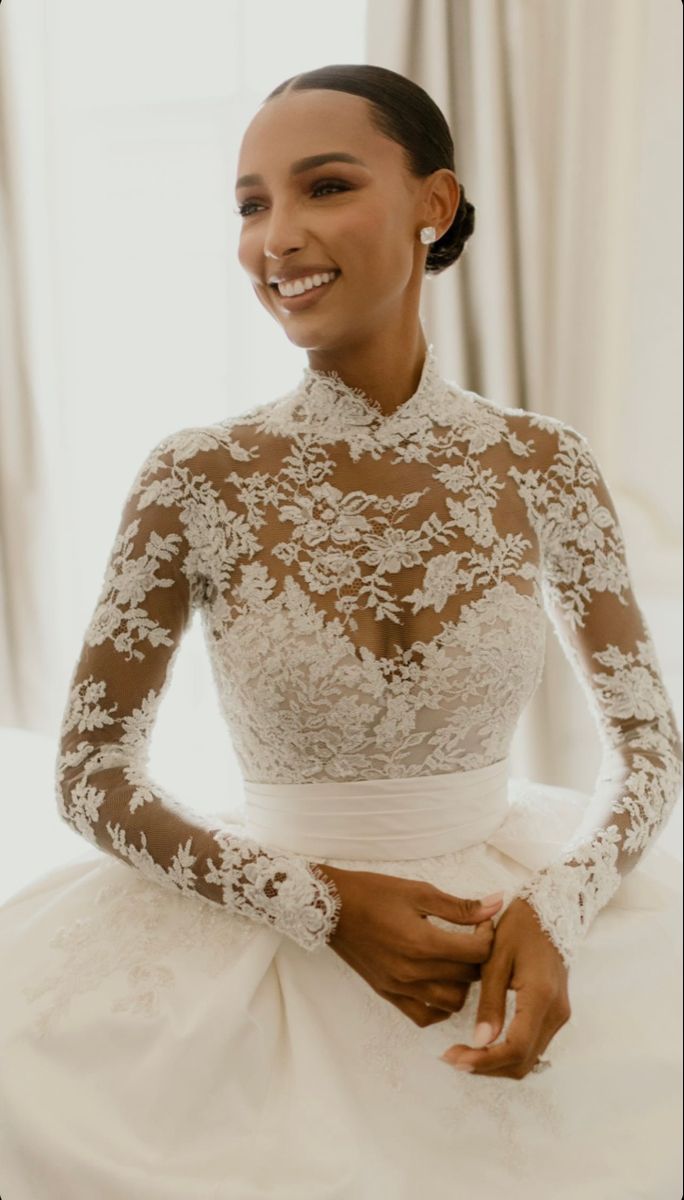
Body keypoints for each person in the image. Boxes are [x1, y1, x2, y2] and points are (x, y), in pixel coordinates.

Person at [0, 63, 681, 1200]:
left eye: (323, 186)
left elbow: (650, 744)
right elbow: (88, 771)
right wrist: (317, 903)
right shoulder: (195, 476)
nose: (279, 235)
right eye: (251, 203)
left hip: (504, 926)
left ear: (435, 202)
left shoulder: (543, 462)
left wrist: (556, 910)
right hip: (257, 938)